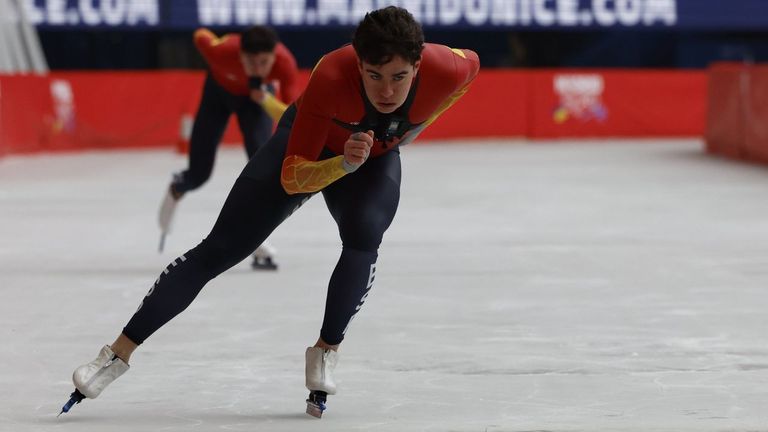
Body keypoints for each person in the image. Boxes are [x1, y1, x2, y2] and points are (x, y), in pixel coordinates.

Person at [61, 6, 480, 419]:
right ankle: (116, 355)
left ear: (418, 65)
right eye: (374, 76)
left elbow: (472, 68)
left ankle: (326, 350)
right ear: (358, 65)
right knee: (218, 249)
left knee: (364, 235)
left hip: (374, 158)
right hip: (311, 149)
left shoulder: (447, 67)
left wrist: (415, 126)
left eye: (399, 77)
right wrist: (344, 164)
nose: (386, 91)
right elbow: (294, 178)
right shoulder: (331, 76)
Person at [158, 25, 301, 270]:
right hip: (217, 95)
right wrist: (221, 39)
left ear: (274, 56)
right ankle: (179, 185)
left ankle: (255, 240)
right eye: (251, 62)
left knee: (263, 172)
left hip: (255, 101)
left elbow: (291, 116)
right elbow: (199, 35)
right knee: (199, 174)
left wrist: (266, 99)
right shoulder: (222, 50)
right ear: (240, 55)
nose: (258, 69)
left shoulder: (285, 63)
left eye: (264, 63)